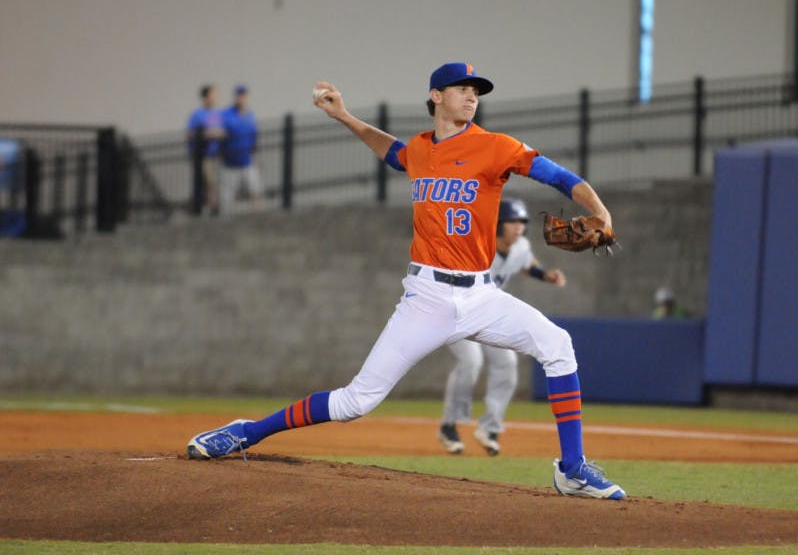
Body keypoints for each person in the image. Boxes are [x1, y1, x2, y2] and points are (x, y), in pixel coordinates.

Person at [187, 62, 626, 500]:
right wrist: (344, 117)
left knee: (558, 345)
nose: (472, 97)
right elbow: (393, 152)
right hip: (427, 298)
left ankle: (572, 470)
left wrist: (601, 212)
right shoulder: (419, 149)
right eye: (461, 89)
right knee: (354, 403)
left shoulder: (496, 147)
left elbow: (564, 179)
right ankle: (247, 431)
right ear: (436, 95)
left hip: (482, 294)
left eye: (476, 91)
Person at [438, 197, 567, 456]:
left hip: (488, 314)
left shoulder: (520, 247)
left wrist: (545, 275)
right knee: (471, 362)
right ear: (497, 224)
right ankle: (449, 425)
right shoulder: (478, 245)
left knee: (507, 363)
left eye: (521, 222)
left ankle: (490, 427)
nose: (518, 227)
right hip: (457, 311)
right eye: (511, 221)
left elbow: (526, 264)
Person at [218, 85, 263, 213]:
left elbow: (254, 140)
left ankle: (256, 215)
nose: (241, 99)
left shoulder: (250, 116)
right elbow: (211, 124)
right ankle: (226, 219)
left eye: (244, 96)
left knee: (255, 190)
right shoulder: (226, 114)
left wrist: (258, 159)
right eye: (239, 96)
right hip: (230, 163)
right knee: (227, 197)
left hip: (247, 161)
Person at [186, 84, 224, 215]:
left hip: (213, 154)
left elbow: (220, 131)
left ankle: (204, 205)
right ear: (206, 97)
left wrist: (214, 133)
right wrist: (206, 134)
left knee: (210, 181)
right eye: (213, 94)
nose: (215, 97)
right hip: (202, 154)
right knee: (208, 181)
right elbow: (190, 133)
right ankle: (212, 206)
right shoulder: (198, 115)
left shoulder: (215, 114)